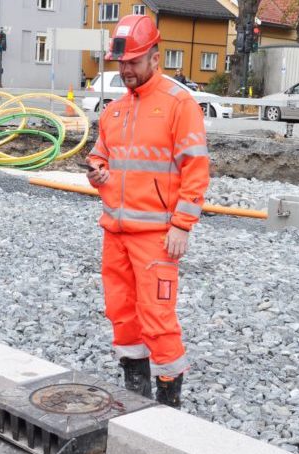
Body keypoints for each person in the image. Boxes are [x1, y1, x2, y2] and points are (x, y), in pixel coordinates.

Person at [83, 15, 209, 409]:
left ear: (155, 58)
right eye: (121, 64)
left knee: (158, 318)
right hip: (115, 233)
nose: (125, 70)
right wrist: (96, 172)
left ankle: (168, 408)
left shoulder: (178, 105)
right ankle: (135, 395)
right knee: (121, 314)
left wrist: (182, 225)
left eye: (133, 62)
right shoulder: (115, 111)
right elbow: (99, 156)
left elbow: (196, 169)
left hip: (156, 235)